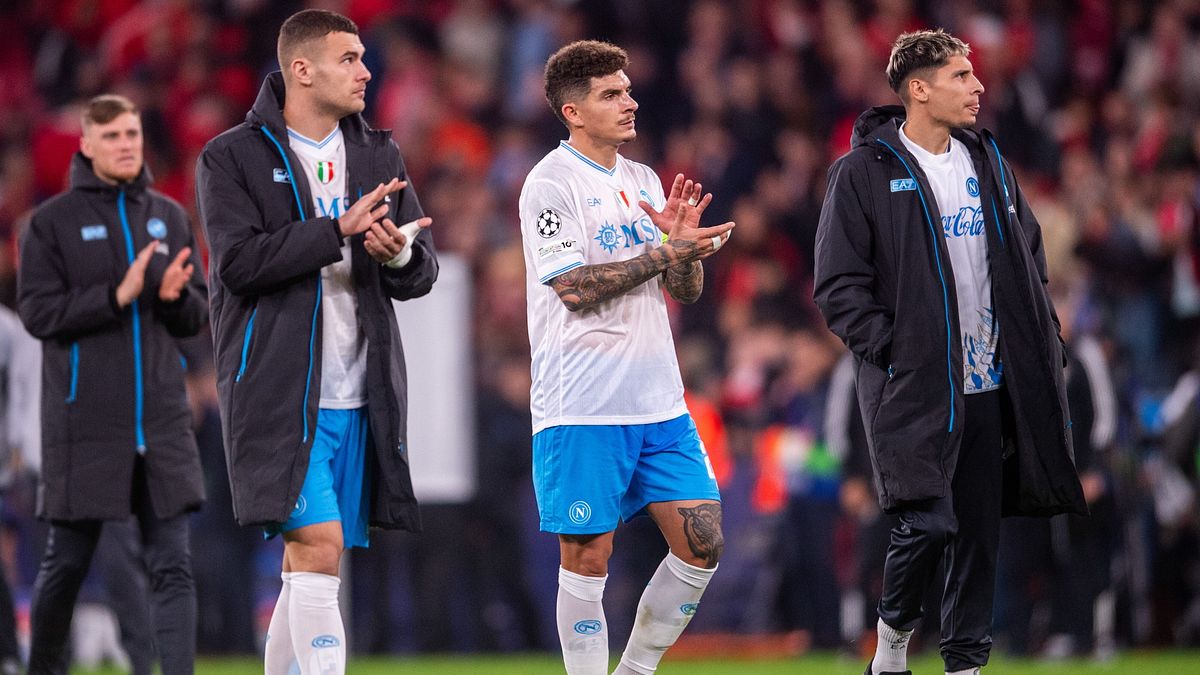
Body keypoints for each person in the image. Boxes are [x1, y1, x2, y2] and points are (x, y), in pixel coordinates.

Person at [812, 29, 1088, 675]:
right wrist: (896, 352)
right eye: (961, 76)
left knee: (978, 538)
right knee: (927, 523)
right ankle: (891, 648)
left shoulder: (988, 162)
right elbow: (838, 286)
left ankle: (965, 665)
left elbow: (1029, 255)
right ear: (919, 89)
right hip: (915, 386)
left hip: (989, 383)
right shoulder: (861, 173)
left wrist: (1040, 332)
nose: (978, 86)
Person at [195, 9, 437, 674]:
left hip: (360, 394)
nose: (366, 71)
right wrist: (335, 232)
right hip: (277, 394)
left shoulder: (379, 154)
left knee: (310, 561)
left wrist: (396, 255)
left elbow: (421, 272)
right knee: (319, 546)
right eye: (349, 59)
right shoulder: (231, 156)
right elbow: (238, 264)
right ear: (302, 69)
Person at [519, 40, 734, 675]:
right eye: (611, 94)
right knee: (588, 557)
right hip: (583, 403)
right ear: (572, 111)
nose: (629, 102)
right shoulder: (550, 184)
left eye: (628, 90)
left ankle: (635, 670)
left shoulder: (642, 180)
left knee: (702, 543)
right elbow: (572, 288)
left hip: (659, 400)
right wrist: (665, 252)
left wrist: (683, 250)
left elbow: (682, 291)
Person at [18, 93, 208, 675]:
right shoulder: (51, 223)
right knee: (67, 563)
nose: (125, 145)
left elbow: (195, 317)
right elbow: (37, 314)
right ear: (86, 145)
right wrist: (116, 296)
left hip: (161, 422)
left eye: (132, 134)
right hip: (86, 424)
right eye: (112, 136)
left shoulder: (169, 216)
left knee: (173, 565)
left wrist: (172, 299)